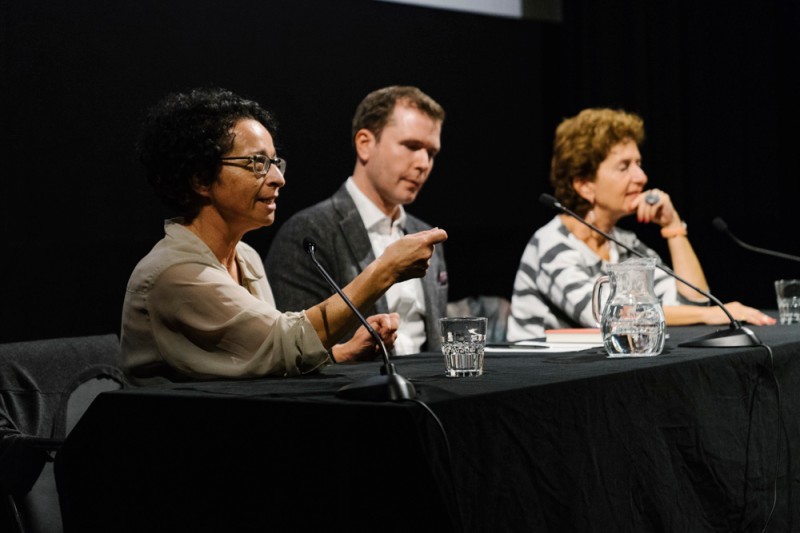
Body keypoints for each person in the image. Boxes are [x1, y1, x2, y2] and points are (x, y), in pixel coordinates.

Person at [121, 87, 447, 384]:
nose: (278, 178)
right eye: (257, 163)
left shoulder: (246, 257)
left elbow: (273, 361)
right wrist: (385, 270)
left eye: (275, 162)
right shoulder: (176, 273)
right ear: (201, 179)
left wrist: (342, 354)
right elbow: (285, 340)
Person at [507, 107, 775, 341]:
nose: (641, 177)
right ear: (585, 185)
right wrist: (710, 314)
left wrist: (673, 228)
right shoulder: (550, 244)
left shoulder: (624, 243)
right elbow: (605, 315)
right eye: (624, 167)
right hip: (536, 382)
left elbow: (691, 301)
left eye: (639, 164)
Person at [264, 85, 448, 355]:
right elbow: (294, 351)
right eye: (411, 146)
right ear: (365, 144)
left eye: (431, 153)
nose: (423, 163)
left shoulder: (424, 236)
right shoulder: (309, 233)